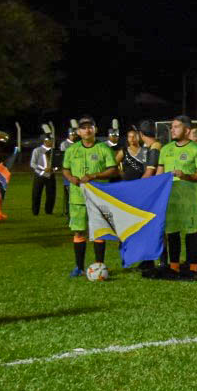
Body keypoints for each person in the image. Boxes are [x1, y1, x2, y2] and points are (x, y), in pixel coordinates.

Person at [154, 115, 197, 279]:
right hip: (170, 202)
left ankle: (193, 268)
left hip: (190, 202)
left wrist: (185, 175)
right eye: (172, 127)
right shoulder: (165, 149)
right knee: (172, 234)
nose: (172, 130)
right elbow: (159, 174)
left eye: (176, 127)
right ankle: (174, 267)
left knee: (192, 234)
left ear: (187, 130)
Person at [59, 117, 117, 275]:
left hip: (98, 197)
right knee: (79, 231)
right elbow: (65, 169)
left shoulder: (104, 148)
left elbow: (113, 169)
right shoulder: (72, 150)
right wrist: (70, 178)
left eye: (90, 127)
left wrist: (94, 176)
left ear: (95, 129)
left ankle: (99, 266)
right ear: (78, 132)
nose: (87, 130)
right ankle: (79, 267)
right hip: (77, 198)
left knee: (99, 230)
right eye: (83, 128)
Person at [29, 133, 58, 215]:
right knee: (36, 194)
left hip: (51, 175)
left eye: (52, 140)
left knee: (51, 194)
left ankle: (49, 211)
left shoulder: (54, 151)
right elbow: (32, 163)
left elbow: (58, 163)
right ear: (45, 141)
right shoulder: (37, 150)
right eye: (50, 140)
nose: (52, 142)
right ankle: (35, 211)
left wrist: (54, 169)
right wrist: (43, 169)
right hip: (39, 175)